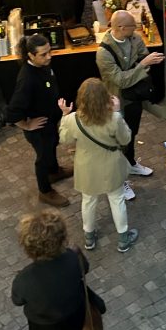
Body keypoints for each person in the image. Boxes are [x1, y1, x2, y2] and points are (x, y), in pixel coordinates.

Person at [57, 78, 138, 253]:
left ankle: (89, 237)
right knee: (117, 200)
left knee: (88, 201)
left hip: (86, 167)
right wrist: (118, 112)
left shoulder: (73, 119)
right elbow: (126, 139)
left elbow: (64, 139)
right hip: (111, 165)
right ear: (105, 97)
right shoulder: (114, 118)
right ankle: (123, 239)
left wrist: (64, 115)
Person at [11, 211, 88, 330]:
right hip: (73, 319)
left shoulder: (25, 278)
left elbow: (17, 300)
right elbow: (85, 269)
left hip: (43, 327)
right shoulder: (72, 258)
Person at [5, 35, 74, 208]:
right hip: (39, 128)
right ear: (31, 55)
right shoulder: (27, 79)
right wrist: (27, 125)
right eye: (43, 54)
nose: (49, 57)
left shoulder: (43, 66)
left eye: (49, 52)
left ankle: (54, 171)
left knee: (52, 145)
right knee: (42, 157)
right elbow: (12, 111)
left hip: (50, 122)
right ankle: (45, 191)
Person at [96, 10, 163, 185]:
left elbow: (145, 63)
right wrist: (141, 65)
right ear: (121, 27)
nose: (136, 29)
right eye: (132, 26)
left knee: (131, 133)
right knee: (117, 139)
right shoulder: (104, 53)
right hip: (117, 101)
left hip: (134, 97)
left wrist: (139, 68)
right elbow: (120, 81)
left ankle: (131, 163)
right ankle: (118, 181)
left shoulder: (135, 38)